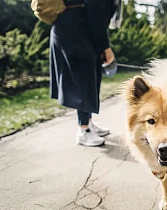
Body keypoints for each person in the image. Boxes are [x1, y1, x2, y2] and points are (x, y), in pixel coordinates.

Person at [49, 0, 119, 146]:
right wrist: (106, 48)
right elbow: (96, 17)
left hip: (78, 31)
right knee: (83, 80)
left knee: (90, 77)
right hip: (73, 33)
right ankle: (84, 130)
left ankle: (88, 123)